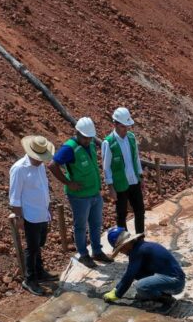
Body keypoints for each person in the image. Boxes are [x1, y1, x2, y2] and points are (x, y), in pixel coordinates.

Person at [52, 117, 111, 268]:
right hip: (79, 197)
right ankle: (83, 254)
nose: (88, 140)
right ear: (77, 133)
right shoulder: (69, 148)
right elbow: (52, 165)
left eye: (90, 137)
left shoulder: (90, 144)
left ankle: (97, 251)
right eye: (85, 137)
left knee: (96, 224)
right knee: (81, 226)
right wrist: (68, 182)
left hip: (94, 193)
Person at [10, 135, 55, 297]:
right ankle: (30, 279)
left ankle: (40, 271)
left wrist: (48, 208)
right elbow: (14, 197)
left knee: (40, 244)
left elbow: (43, 188)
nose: (41, 160)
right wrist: (19, 217)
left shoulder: (40, 166)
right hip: (30, 215)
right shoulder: (19, 169)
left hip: (42, 212)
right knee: (32, 247)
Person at [103, 227, 186, 307]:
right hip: (173, 279)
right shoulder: (140, 246)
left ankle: (167, 300)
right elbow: (131, 273)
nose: (121, 252)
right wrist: (116, 289)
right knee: (137, 272)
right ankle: (160, 292)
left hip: (176, 282)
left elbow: (129, 276)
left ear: (126, 244)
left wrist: (117, 294)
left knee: (141, 286)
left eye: (120, 249)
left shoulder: (138, 251)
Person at [102, 107, 146, 234]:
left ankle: (140, 238)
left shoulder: (131, 138)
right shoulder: (109, 143)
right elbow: (106, 167)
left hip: (134, 181)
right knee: (121, 214)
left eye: (127, 127)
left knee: (139, 210)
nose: (125, 130)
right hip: (120, 184)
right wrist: (111, 188)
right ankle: (125, 241)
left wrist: (141, 177)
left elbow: (136, 159)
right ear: (115, 124)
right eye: (122, 127)